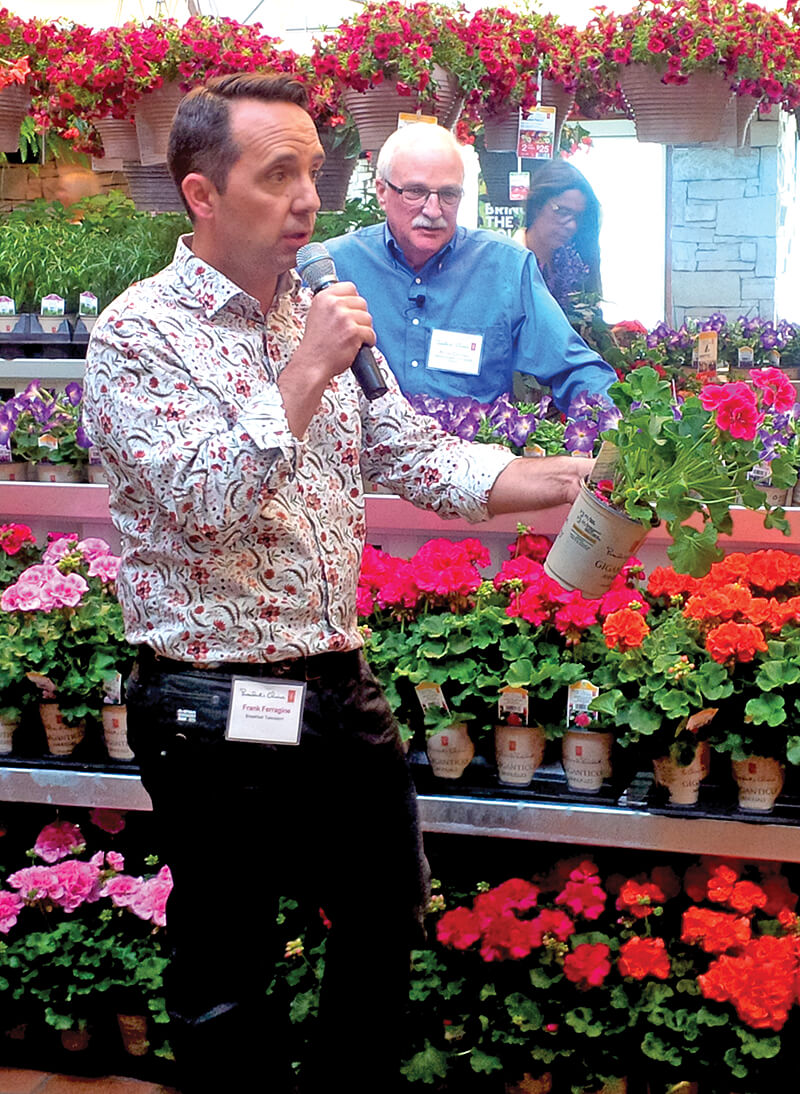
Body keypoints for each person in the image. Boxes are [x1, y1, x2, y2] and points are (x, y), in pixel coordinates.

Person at [82, 73, 593, 1094]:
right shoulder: (138, 336)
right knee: (229, 954)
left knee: (383, 914)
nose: (310, 199)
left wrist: (572, 479)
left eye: (315, 171)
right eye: (280, 174)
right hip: (216, 697)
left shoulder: (317, 318)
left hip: (333, 682)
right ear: (201, 194)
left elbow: (419, 456)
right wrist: (304, 371)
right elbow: (200, 502)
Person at [324, 121, 616, 409]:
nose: (433, 210)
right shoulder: (334, 267)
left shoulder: (506, 267)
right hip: (365, 453)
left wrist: (622, 428)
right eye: (415, 192)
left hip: (473, 452)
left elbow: (572, 368)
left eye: (448, 195)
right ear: (382, 192)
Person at [523, 160, 602, 310]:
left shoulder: (578, 266)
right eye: (562, 212)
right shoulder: (506, 260)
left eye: (578, 217)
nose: (571, 225)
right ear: (536, 206)